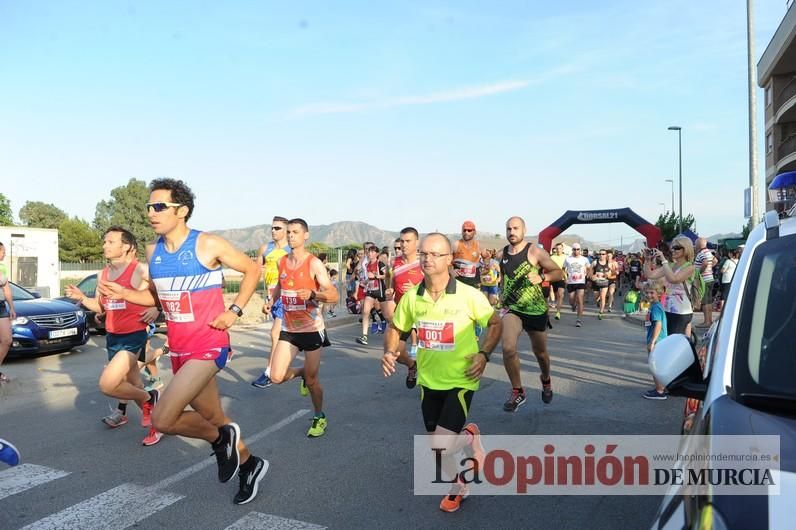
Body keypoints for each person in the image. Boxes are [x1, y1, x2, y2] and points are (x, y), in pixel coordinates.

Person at [98, 178, 267, 505]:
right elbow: (155, 300)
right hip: (179, 348)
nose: (151, 212)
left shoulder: (207, 244)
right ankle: (249, 464)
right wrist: (125, 294)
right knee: (215, 417)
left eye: (159, 206)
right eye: (149, 206)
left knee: (163, 419)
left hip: (209, 344)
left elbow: (252, 270)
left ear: (183, 211)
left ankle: (220, 441)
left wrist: (234, 310)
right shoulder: (154, 251)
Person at [382, 232, 502, 513]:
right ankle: (459, 485)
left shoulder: (468, 296)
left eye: (435, 254)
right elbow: (397, 328)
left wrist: (484, 355)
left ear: (449, 259)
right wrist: (389, 351)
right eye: (423, 253)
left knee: (442, 444)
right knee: (438, 448)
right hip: (428, 380)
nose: (427, 259)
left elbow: (495, 324)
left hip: (461, 380)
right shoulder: (413, 298)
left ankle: (470, 436)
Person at [66, 227, 163, 446]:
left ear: (126, 246)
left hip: (134, 335)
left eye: (110, 242)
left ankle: (150, 398)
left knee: (108, 384)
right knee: (135, 383)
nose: (104, 245)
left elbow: (162, 295)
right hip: (113, 336)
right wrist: (82, 298)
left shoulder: (140, 270)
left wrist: (157, 308)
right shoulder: (103, 274)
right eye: (104, 242)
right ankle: (158, 423)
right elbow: (101, 306)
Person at [265, 218, 339, 438]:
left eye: (295, 232)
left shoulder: (314, 263)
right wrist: (271, 300)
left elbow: (333, 294)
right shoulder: (282, 262)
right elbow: (280, 284)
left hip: (311, 329)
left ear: (305, 235)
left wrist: (314, 294)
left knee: (314, 380)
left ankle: (319, 416)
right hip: (289, 328)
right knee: (275, 377)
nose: (290, 236)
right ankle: (302, 374)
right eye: (288, 232)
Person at [498, 217, 563, 412]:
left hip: (535, 310)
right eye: (509, 228)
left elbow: (558, 273)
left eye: (516, 228)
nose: (512, 232)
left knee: (541, 353)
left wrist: (542, 277)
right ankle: (518, 391)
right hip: (513, 308)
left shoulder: (534, 251)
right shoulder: (502, 253)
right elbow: (503, 278)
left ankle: (546, 379)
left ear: (524, 230)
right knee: (508, 348)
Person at [382, 227, 424, 388]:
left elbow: (435, 287)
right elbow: (388, 279)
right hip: (403, 312)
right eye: (402, 241)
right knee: (395, 351)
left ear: (417, 242)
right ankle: (412, 366)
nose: (404, 245)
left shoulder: (423, 262)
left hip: (423, 312)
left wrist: (415, 288)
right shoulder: (394, 262)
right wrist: (389, 291)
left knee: (433, 350)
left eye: (408, 241)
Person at [252, 216, 290, 389]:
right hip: (271, 295)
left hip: (286, 295)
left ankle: (268, 372)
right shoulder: (265, 248)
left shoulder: (291, 249)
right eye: (272, 228)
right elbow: (255, 272)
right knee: (283, 333)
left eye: (278, 228)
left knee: (275, 333)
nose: (274, 231)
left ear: (286, 230)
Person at [644, 236, 695, 338]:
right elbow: (650, 275)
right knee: (667, 340)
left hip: (681, 311)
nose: (673, 250)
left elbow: (674, 279)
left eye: (677, 247)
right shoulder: (670, 266)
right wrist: (647, 260)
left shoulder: (690, 267)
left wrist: (663, 260)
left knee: (674, 343)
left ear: (686, 249)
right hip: (667, 309)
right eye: (672, 247)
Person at [641, 282, 668, 400]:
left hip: (657, 341)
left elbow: (658, 324)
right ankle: (660, 387)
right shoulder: (654, 305)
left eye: (652, 292)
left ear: (658, 293)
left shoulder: (656, 307)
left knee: (655, 366)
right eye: (647, 292)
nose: (649, 295)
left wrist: (652, 342)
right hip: (658, 340)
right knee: (657, 365)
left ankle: (659, 391)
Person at [356, 246, 387, 345]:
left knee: (388, 315)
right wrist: (364, 282)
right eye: (369, 252)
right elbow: (369, 278)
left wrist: (376, 276)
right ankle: (364, 336)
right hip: (370, 290)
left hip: (380, 291)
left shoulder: (380, 264)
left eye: (373, 252)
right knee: (365, 311)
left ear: (377, 254)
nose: (370, 254)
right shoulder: (368, 264)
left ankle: (394, 332)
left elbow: (387, 275)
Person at [563, 243, 590, 327]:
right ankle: (573, 305)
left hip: (581, 281)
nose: (576, 251)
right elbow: (563, 269)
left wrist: (588, 276)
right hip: (571, 282)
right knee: (571, 300)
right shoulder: (568, 259)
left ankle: (579, 319)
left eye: (578, 249)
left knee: (580, 299)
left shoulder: (584, 259)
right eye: (574, 249)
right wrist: (565, 278)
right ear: (572, 250)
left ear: (580, 250)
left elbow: (589, 268)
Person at [0, 242, 15, 384]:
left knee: (7, 340)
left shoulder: (3, 267)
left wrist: (11, 308)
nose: (4, 253)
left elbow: (7, 289)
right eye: (3, 251)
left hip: (1, 307)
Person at [694, 238, 716, 328]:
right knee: (709, 301)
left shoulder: (701, 253)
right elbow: (715, 261)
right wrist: (709, 269)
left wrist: (699, 272)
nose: (695, 246)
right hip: (710, 278)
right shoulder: (708, 252)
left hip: (704, 280)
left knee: (705, 302)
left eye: (695, 244)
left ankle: (707, 322)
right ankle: (709, 320)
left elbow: (705, 263)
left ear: (699, 245)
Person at [452, 221, 481, 288]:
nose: (466, 232)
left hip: (474, 283)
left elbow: (485, 264)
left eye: (469, 230)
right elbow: (447, 260)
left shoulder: (478, 245)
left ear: (475, 232)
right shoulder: (456, 244)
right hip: (459, 282)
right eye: (464, 230)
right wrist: (451, 270)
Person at [549, 243, 567, 320]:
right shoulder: (552, 257)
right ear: (555, 249)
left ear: (562, 249)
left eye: (560, 248)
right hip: (554, 278)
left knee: (560, 294)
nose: (558, 250)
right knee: (557, 296)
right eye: (557, 248)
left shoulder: (566, 257)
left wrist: (567, 277)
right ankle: (557, 304)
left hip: (562, 278)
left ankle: (558, 312)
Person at [591, 249, 610, 320]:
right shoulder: (595, 262)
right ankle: (598, 301)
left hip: (604, 282)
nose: (601, 255)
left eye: (603, 254)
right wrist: (592, 276)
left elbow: (613, 271)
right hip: (596, 282)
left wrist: (608, 274)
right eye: (600, 254)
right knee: (596, 298)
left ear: (606, 255)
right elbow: (590, 270)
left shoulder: (609, 263)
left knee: (602, 297)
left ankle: (600, 312)